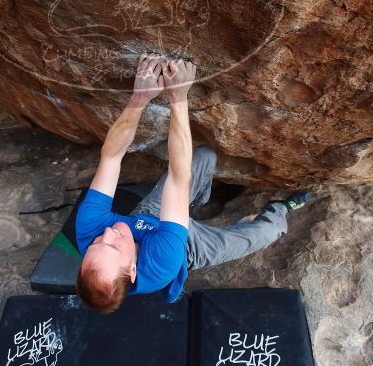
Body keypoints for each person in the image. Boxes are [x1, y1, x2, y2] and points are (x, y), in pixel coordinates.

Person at [75, 55, 311, 313]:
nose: (105, 234)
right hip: (188, 246)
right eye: (111, 245)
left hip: (148, 219)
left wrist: (140, 98)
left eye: (95, 245)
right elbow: (178, 178)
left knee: (204, 157)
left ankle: (192, 204)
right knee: (263, 234)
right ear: (132, 269)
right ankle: (280, 211)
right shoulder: (160, 263)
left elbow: (111, 155)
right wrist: (179, 96)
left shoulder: (89, 232)